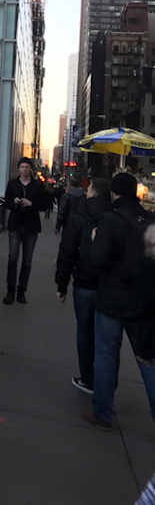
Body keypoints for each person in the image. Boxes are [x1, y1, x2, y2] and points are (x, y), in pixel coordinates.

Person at [84, 172, 155, 429]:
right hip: (144, 302)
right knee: (147, 360)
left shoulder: (110, 220)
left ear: (114, 193)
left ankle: (102, 413)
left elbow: (97, 261)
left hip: (112, 300)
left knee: (106, 355)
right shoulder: (149, 220)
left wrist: (95, 241)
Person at [55, 177, 113, 394]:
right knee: (106, 339)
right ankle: (106, 382)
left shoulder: (80, 217)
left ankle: (88, 378)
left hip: (85, 283)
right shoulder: (114, 217)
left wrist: (62, 283)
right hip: (108, 287)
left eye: (88, 189)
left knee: (85, 333)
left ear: (93, 193)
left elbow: (67, 252)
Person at [3, 157, 45, 304]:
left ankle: (22, 290)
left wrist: (31, 204)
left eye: (27, 167)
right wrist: (14, 203)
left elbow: (44, 204)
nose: (25, 170)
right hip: (15, 225)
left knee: (27, 261)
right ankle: (10, 290)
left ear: (31, 169)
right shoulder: (13, 184)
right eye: (22, 167)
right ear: (18, 169)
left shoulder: (38, 185)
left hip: (31, 227)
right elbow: (6, 202)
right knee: (13, 258)